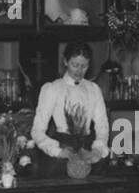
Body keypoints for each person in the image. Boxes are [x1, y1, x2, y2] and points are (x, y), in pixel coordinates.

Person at [31, 42, 110, 178]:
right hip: (62, 148)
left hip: (88, 148)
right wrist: (58, 151)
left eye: (84, 66)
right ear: (65, 61)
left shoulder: (93, 89)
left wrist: (97, 150)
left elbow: (102, 125)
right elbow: (37, 130)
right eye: (75, 65)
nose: (79, 71)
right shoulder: (53, 89)